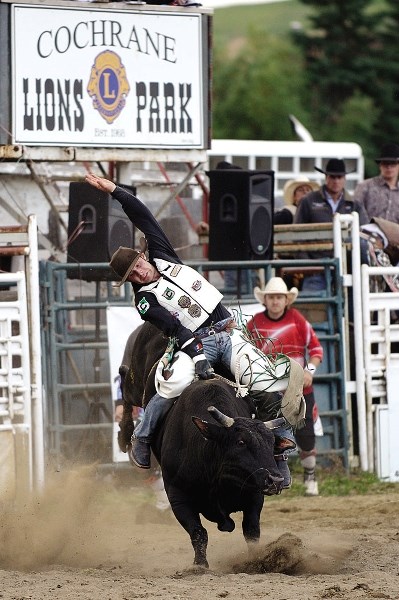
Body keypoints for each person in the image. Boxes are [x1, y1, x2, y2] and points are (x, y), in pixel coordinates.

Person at [85, 173, 305, 469]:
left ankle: (277, 448)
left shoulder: (163, 256)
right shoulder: (144, 301)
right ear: (129, 281)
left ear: (143, 257)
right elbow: (173, 327)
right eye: (132, 275)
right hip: (194, 343)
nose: (140, 273)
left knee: (264, 380)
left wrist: (114, 190)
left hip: (228, 332)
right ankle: (143, 435)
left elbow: (143, 215)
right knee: (172, 383)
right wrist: (198, 354)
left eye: (138, 265)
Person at [246, 277, 323, 496]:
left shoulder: (297, 320)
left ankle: (310, 475)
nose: (275, 301)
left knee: (305, 434)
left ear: (286, 300)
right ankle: (273, 479)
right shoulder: (254, 324)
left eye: (279, 297)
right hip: (266, 390)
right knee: (266, 435)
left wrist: (310, 371)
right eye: (271, 297)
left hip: (298, 387)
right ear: (265, 300)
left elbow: (316, 350)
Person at [294, 158, 369, 292]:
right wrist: (308, 265)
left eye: (339, 177)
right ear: (326, 177)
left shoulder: (354, 204)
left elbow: (365, 232)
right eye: (332, 177)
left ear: (344, 179)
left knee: (353, 304)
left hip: (348, 266)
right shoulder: (308, 201)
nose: (336, 181)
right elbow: (296, 234)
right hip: (317, 265)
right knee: (314, 306)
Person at [353, 143, 399, 223]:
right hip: (368, 233)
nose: (389, 167)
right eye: (385, 163)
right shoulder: (365, 187)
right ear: (380, 165)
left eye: (393, 163)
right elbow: (354, 212)